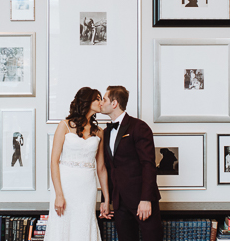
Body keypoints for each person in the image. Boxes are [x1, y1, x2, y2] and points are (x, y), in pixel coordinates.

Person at [44, 87, 110, 241]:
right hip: (65, 186)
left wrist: (106, 199)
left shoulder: (99, 132)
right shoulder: (64, 125)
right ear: (85, 102)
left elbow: (101, 168)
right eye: (97, 99)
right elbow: (54, 162)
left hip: (87, 187)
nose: (101, 102)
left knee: (84, 224)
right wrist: (59, 194)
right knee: (62, 225)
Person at [100, 85, 162, 241]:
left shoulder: (139, 127)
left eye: (104, 99)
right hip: (119, 203)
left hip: (141, 200)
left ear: (114, 103)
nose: (101, 102)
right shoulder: (106, 133)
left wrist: (146, 199)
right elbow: (108, 168)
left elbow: (148, 165)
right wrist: (105, 200)